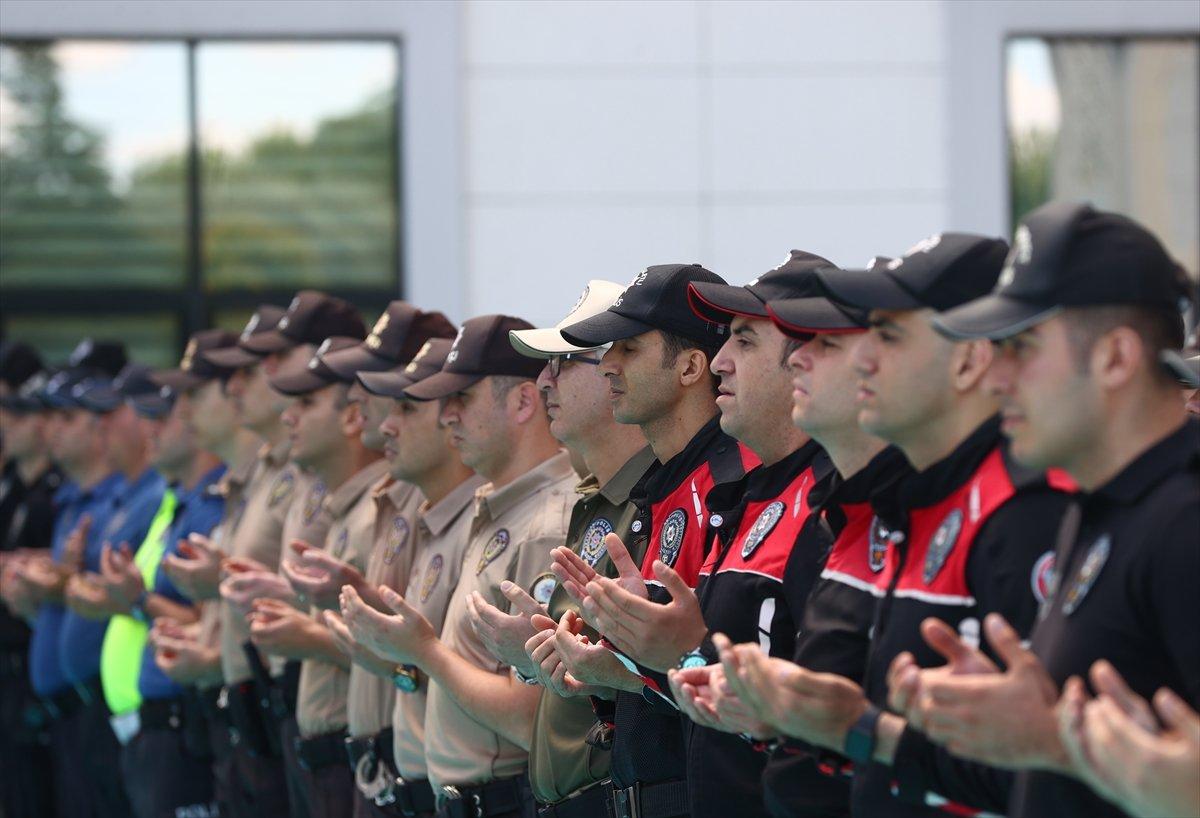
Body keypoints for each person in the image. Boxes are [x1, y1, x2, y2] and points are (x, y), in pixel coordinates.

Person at [718, 234, 1075, 817]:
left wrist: (860, 731)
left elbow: (1050, 782)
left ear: (968, 360)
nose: (863, 357)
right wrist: (788, 719)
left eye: (887, 336)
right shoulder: (902, 502)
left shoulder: (1031, 510)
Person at [884, 201, 1199, 818]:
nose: (996, 377)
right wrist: (1044, 734)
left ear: (1115, 357)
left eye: (1022, 346)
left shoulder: (1185, 523)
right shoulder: (1102, 504)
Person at [602, 252, 837, 818]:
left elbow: (830, 710)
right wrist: (639, 651)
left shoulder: (831, 503)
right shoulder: (749, 496)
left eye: (747, 342)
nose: (721, 362)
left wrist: (664, 655)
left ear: (810, 362)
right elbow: (719, 680)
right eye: (726, 341)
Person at [343, 313, 575, 818]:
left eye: (462, 399)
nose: (446, 416)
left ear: (521, 401)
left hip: (501, 800)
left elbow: (534, 719)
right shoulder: (497, 508)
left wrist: (421, 652)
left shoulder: (544, 524)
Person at [556, 264, 756, 818]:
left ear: (692, 366)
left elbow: (729, 675)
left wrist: (621, 668)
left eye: (629, 348)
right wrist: (597, 666)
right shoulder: (666, 485)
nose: (607, 365)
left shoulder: (731, 485)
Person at [496, 280, 657, 817]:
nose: (544, 380)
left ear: (620, 369)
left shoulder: (658, 502)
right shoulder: (596, 501)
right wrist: (537, 655)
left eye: (565, 361)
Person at [216, 291, 364, 818]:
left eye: (279, 356)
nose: (264, 376)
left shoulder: (347, 467)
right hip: (285, 704)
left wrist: (295, 608)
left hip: (346, 724)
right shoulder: (296, 464)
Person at [340, 337, 483, 817]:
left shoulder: (476, 518)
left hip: (462, 791)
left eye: (406, 407)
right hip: (408, 780)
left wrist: (401, 655)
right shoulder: (433, 512)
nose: (385, 425)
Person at [251, 332, 388, 818]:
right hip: (324, 748)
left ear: (354, 416)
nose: (286, 415)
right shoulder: (346, 505)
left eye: (306, 403)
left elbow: (405, 654)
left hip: (356, 755)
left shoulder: (381, 512)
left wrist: (308, 635)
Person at [59, 358, 167, 818]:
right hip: (123, 722)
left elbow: (139, 596)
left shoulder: (160, 493)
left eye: (115, 411)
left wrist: (94, 592)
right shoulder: (131, 494)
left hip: (162, 723)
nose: (101, 425)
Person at [0, 344, 61, 818]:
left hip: (35, 666)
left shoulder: (54, 497)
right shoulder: (15, 491)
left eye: (17, 414)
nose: (5, 423)